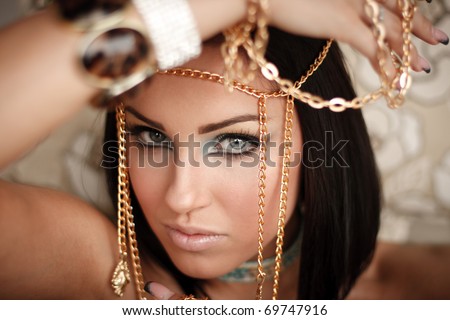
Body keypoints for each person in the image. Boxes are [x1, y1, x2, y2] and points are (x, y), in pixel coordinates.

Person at [0, 0, 447, 300]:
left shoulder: (423, 288)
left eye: (235, 144)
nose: (180, 198)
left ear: (318, 149)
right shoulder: (101, 271)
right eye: (151, 139)